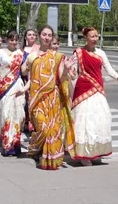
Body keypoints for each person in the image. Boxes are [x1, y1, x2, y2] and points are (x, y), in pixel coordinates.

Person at [70, 27, 118, 166]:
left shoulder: (101, 53)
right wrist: (71, 72)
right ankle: (84, 154)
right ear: (85, 38)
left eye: (96, 36)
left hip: (97, 90)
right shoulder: (79, 52)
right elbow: (72, 70)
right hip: (84, 89)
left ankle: (95, 152)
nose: (94, 39)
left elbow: (109, 69)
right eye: (92, 36)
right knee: (85, 121)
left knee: (100, 119)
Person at [22, 25, 76, 170]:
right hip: (36, 99)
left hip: (53, 98)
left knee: (52, 130)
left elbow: (62, 77)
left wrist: (66, 69)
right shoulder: (33, 56)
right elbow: (24, 71)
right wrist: (27, 66)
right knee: (43, 128)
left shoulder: (57, 57)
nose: (47, 37)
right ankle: (34, 147)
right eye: (44, 34)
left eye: (49, 35)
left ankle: (46, 157)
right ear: (39, 36)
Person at [21, 29, 39, 133]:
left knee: (32, 100)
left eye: (33, 35)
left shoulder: (38, 49)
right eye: (29, 35)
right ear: (25, 37)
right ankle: (25, 122)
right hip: (22, 77)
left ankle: (33, 126)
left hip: (34, 77)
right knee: (24, 101)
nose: (32, 36)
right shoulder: (22, 50)